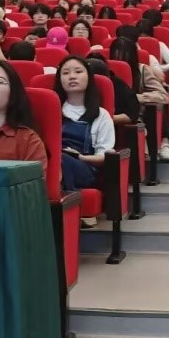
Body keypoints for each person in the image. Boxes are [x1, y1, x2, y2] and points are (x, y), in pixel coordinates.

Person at [54, 57, 115, 226]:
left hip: (86, 168)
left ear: (88, 76)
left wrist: (80, 157)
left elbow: (105, 156)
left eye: (78, 72)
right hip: (54, 164)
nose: (72, 76)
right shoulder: (53, 109)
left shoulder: (101, 115)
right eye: (66, 73)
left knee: (62, 158)